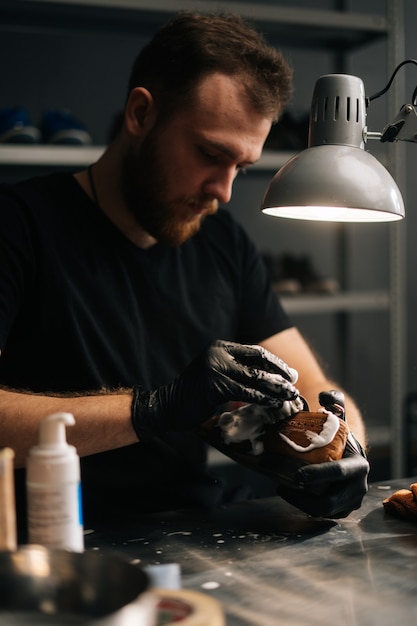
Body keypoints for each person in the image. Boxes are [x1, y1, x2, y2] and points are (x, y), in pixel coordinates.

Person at [0, 11, 368, 532]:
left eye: (241, 166)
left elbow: (315, 385)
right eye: (210, 154)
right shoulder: (18, 227)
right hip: (52, 540)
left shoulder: (222, 242)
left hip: (188, 531)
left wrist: (344, 452)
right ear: (140, 113)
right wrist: (155, 409)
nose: (224, 191)